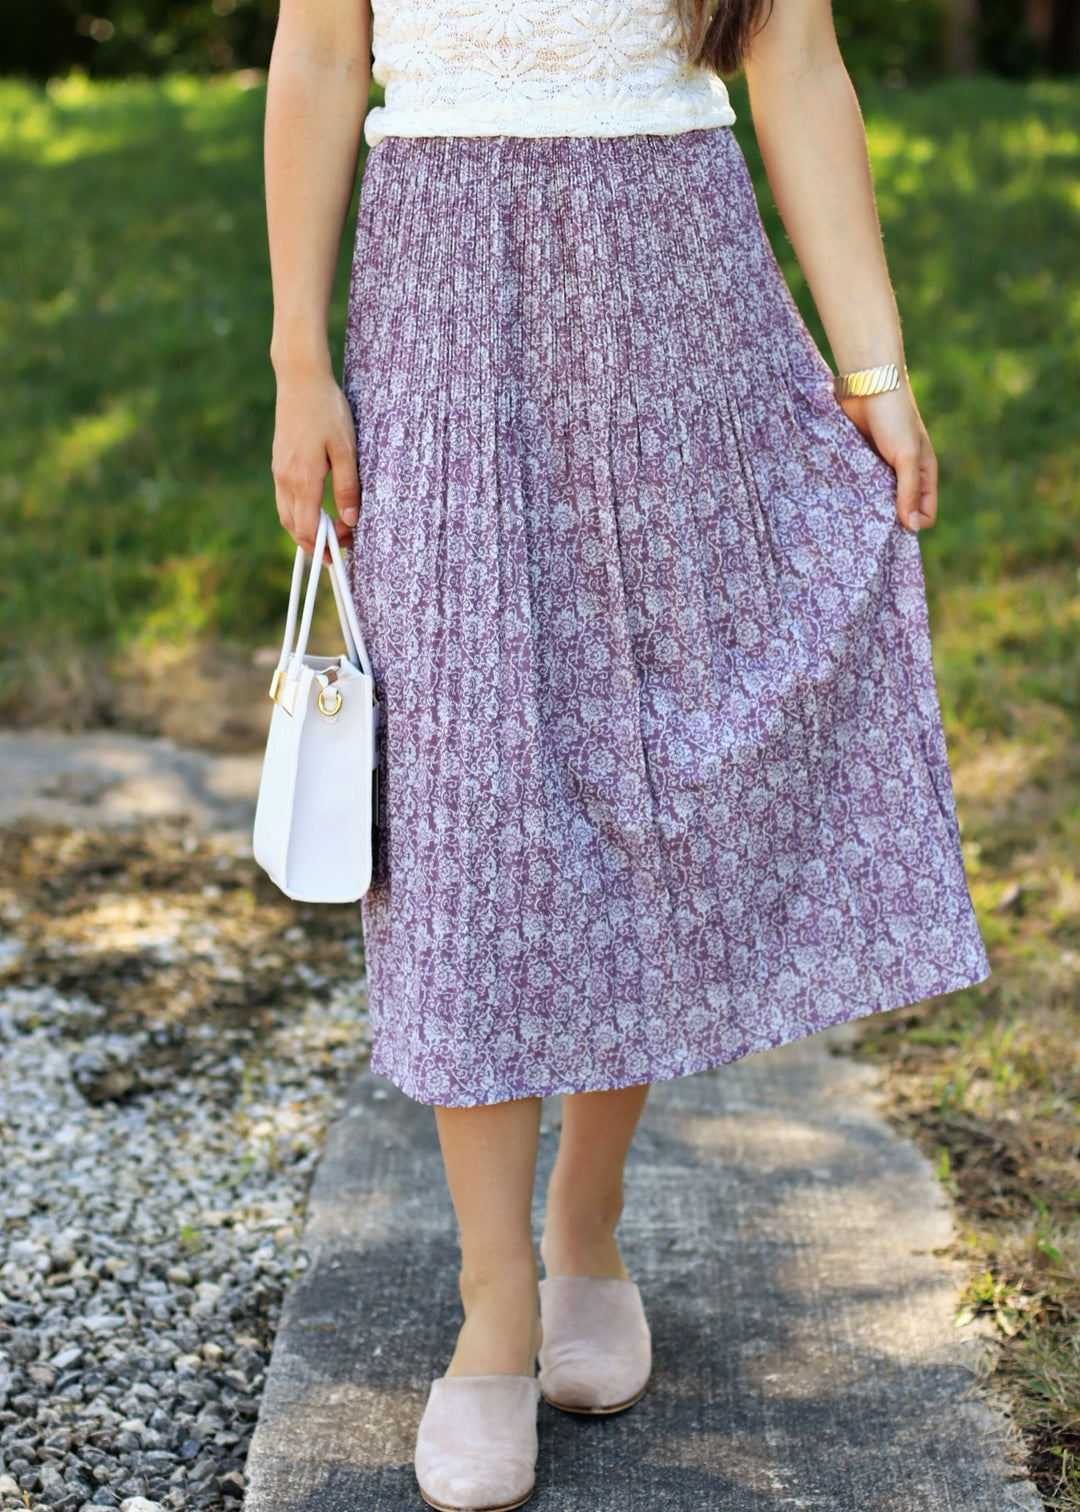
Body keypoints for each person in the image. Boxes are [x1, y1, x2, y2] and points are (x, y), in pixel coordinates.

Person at [264, 0, 990, 1503]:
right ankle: (491, 1301)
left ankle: (583, 1227)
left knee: (648, 771)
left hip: (681, 290)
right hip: (443, 288)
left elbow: (792, 56)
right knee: (469, 795)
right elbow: (325, 54)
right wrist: (296, 356)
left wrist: (877, 369)